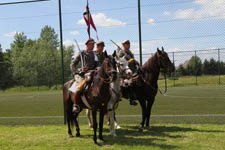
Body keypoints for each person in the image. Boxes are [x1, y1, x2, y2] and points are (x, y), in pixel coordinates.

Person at [69, 38, 97, 105]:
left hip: (93, 73)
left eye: (93, 44)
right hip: (83, 74)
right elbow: (72, 64)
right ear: (87, 45)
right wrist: (77, 72)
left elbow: (97, 64)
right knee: (80, 87)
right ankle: (75, 104)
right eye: (91, 44)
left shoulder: (95, 54)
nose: (93, 46)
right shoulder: (82, 53)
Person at [118, 40, 138, 106]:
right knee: (129, 82)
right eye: (127, 44)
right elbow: (120, 61)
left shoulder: (130, 52)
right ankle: (131, 99)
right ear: (123, 45)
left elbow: (133, 60)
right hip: (125, 71)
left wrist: (135, 61)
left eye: (129, 44)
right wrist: (128, 61)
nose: (128, 45)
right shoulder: (121, 52)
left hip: (133, 70)